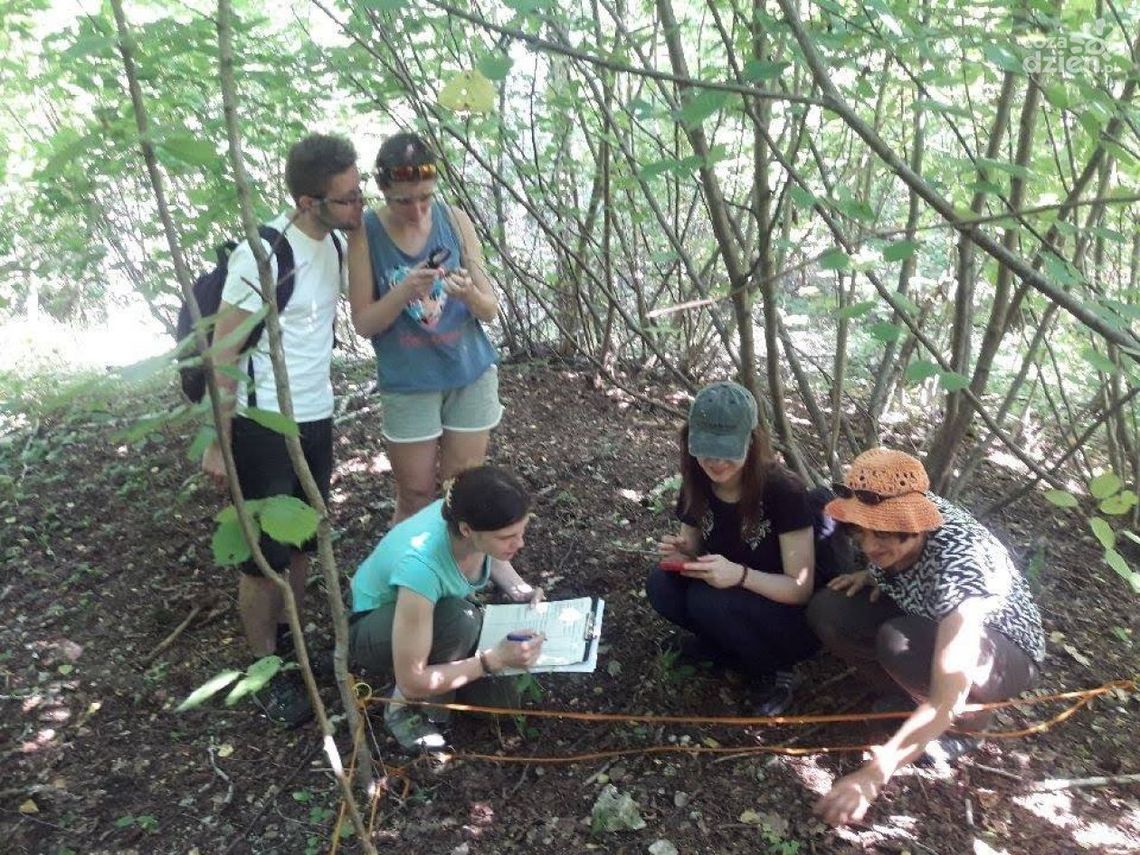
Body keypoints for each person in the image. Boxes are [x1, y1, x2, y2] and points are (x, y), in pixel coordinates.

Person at [201, 133, 362, 727]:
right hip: (261, 424)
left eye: (358, 192)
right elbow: (222, 348)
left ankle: (294, 648)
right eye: (345, 200)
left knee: (299, 539)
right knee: (262, 556)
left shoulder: (335, 246)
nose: (357, 208)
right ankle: (264, 665)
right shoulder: (266, 253)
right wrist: (220, 439)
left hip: (315, 417)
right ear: (305, 200)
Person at [807, 448, 1045, 826]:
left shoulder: (958, 565)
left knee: (898, 642)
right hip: (926, 618)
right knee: (830, 611)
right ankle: (908, 702)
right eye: (860, 532)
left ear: (915, 523)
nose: (869, 547)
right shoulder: (901, 506)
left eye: (882, 534)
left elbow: (946, 697)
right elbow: (896, 556)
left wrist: (873, 775)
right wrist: (874, 574)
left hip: (1002, 652)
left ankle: (966, 728)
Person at [347, 132, 502, 524]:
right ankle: (406, 577)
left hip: (468, 371)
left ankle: (460, 576)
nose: (417, 210)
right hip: (409, 379)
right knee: (415, 494)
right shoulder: (365, 233)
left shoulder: (455, 220)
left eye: (425, 198)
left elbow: (490, 310)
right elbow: (364, 324)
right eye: (403, 201)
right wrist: (403, 292)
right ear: (382, 190)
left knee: (463, 490)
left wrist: (467, 294)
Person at [647, 381, 821, 717]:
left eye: (728, 449)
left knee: (708, 601)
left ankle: (776, 669)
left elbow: (800, 589)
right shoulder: (696, 481)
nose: (716, 461)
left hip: (782, 612)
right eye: (706, 448)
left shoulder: (783, 491)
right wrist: (681, 554)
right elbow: (693, 551)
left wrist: (739, 575)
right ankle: (723, 648)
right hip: (728, 591)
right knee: (662, 585)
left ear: (752, 442)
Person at [349, 465, 546, 751]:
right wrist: (491, 661)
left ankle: (451, 682)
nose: (520, 543)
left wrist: (519, 589)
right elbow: (413, 679)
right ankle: (402, 709)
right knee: (459, 620)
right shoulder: (421, 568)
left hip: (427, 617)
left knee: (502, 704)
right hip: (374, 626)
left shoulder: (463, 515)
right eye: (507, 537)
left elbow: (488, 547)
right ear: (466, 530)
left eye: (520, 532)